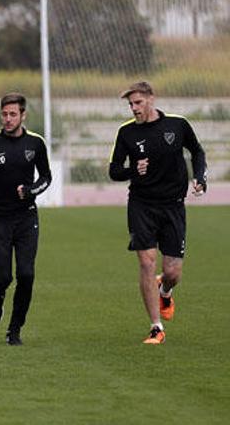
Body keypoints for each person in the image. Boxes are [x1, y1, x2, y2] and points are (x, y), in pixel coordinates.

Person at [109, 81, 207, 345]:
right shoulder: (126, 133)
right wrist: (132, 170)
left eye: (138, 102)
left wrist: (199, 177)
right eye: (131, 104)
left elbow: (197, 151)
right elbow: (114, 170)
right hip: (141, 205)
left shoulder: (177, 125)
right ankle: (156, 327)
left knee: (172, 271)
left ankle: (165, 290)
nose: (134, 108)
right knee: (146, 262)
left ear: (151, 99)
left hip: (173, 205)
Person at [0, 93, 52, 346]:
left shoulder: (36, 143)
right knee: (3, 277)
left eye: (13, 114)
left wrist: (31, 190)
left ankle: (14, 330)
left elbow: (46, 177)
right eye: (4, 114)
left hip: (26, 218)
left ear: (23, 115)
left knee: (26, 275)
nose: (7, 119)